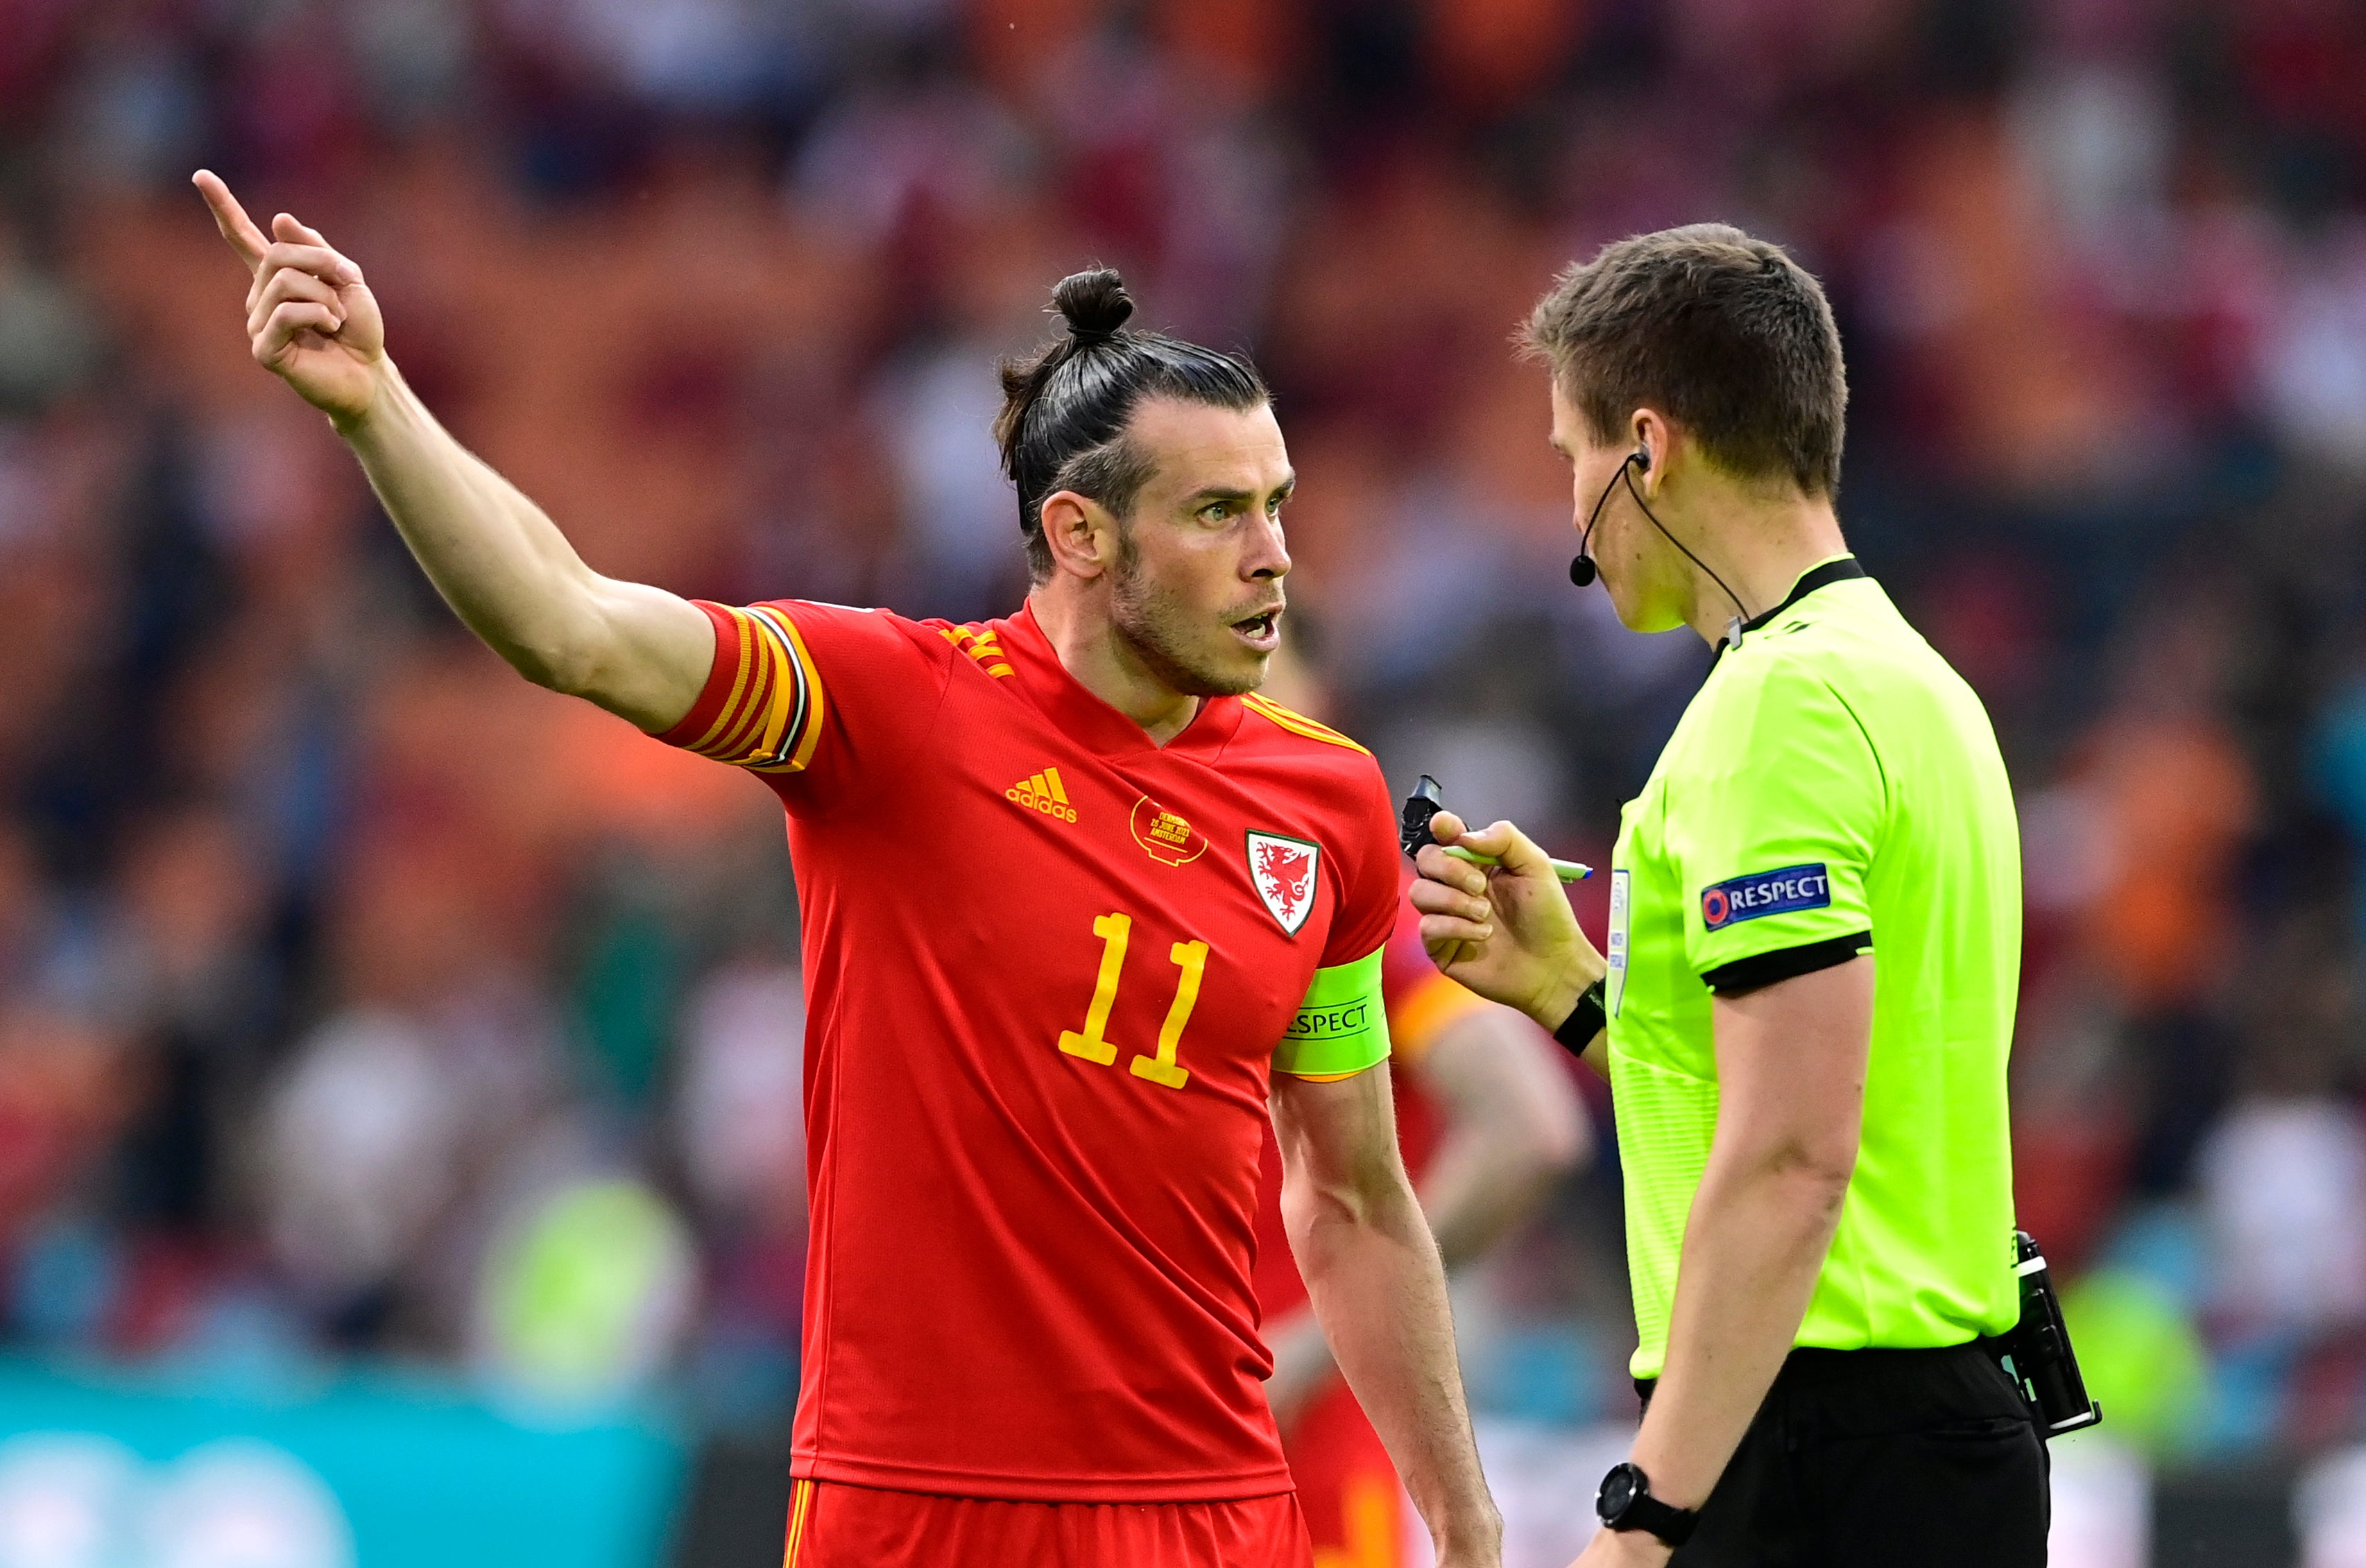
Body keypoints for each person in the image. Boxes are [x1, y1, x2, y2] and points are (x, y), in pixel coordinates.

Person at [194, 171, 1502, 1568]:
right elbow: (565, 625)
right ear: (1078, 535)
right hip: (916, 1515)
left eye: (1278, 506)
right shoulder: (892, 710)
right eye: (1217, 514)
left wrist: (1468, 1525)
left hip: (1211, 1521)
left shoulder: (1324, 803)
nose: (1274, 559)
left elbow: (1356, 1200)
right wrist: (378, 404)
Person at [1409, 224, 2046, 1567]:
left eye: (1570, 456)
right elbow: (1832, 1096)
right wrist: (1581, 996)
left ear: (1646, 448)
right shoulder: (1913, 685)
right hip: (1924, 1432)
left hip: (1814, 1446)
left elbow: (1792, 1159)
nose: (1568, 497)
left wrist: (1648, 1514)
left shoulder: (1776, 712)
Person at [1251, 649, 1589, 1568]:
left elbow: (1531, 1127)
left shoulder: (1346, 910)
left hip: (1304, 1451)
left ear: (1320, 693)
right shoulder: (1162, 894)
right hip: (1149, 1445)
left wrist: (1322, 1342)